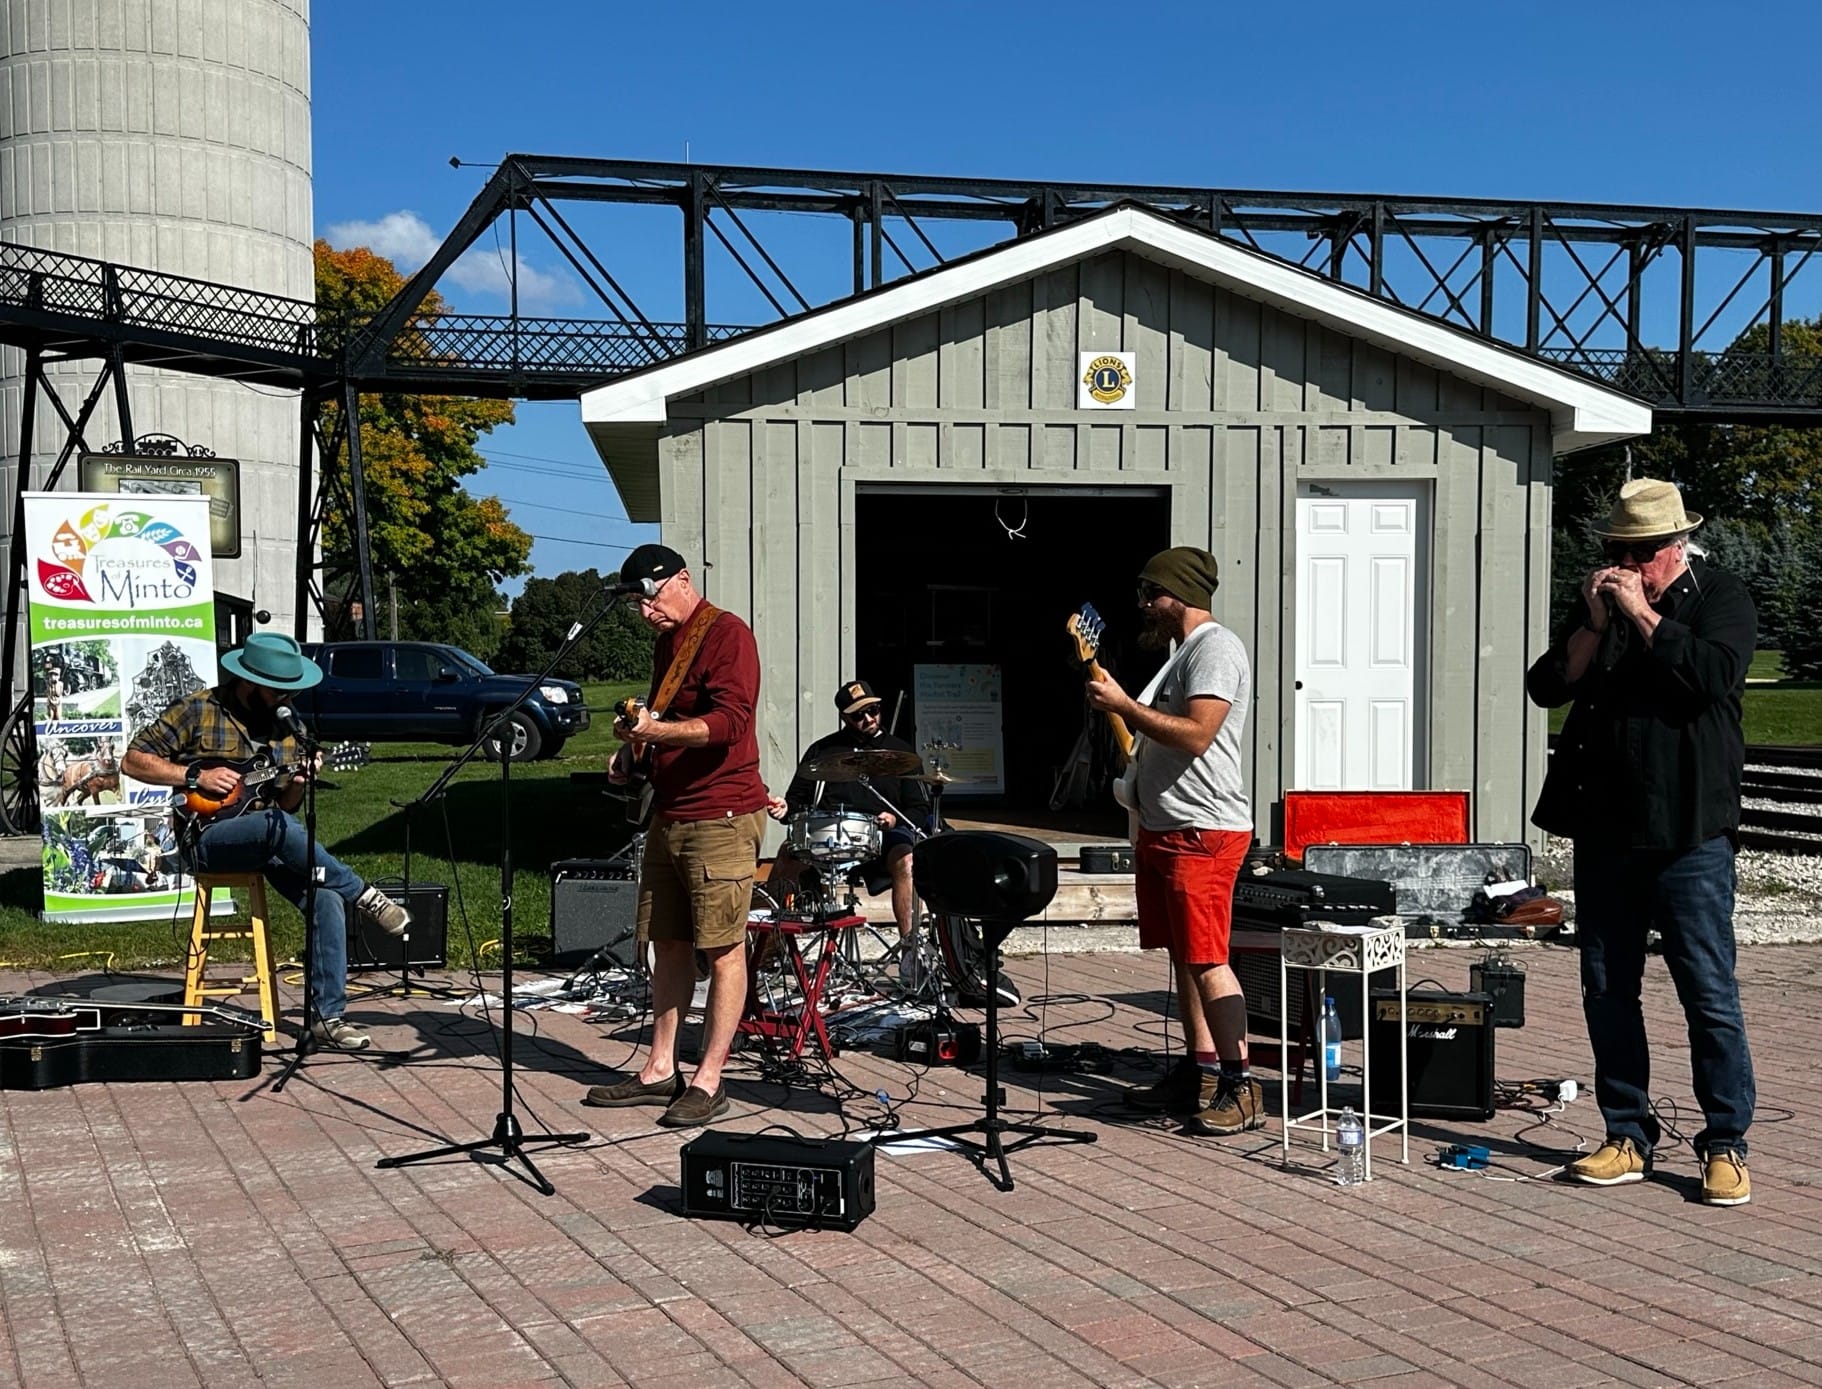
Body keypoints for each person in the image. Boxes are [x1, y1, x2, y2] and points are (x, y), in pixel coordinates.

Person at [1526, 478, 1757, 1206]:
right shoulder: (1602, 610)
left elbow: (1711, 677)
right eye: (1619, 550)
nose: (1629, 563)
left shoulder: (1720, 597)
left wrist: (1645, 613)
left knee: (1707, 990)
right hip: (1608, 833)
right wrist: (1595, 622)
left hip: (1689, 832)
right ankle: (1626, 1131)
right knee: (1606, 988)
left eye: (1644, 551)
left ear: (1677, 547)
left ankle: (1725, 1142)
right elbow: (1547, 686)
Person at [120, 631, 410, 1051]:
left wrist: (297, 782)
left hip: (268, 836)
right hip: (206, 839)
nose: (286, 697)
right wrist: (194, 776)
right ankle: (365, 895)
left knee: (324, 895)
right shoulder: (198, 709)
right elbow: (133, 760)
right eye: (278, 689)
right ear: (249, 682)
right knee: (275, 826)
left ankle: (327, 1018)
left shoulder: (288, 726)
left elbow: (286, 808)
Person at [586, 543, 768, 1128]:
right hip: (671, 812)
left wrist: (657, 730)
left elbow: (727, 723)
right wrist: (633, 746)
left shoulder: (728, 635)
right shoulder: (670, 641)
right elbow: (663, 717)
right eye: (638, 604)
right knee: (666, 940)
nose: (645, 612)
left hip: (721, 816)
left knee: (721, 948)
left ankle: (710, 1080)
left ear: (682, 580)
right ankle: (659, 1068)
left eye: (652, 598)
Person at [1086, 546, 1260, 1136]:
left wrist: (1126, 705)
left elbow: (1197, 735)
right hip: (1165, 828)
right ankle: (1200, 1071)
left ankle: (1242, 1086)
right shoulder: (1180, 654)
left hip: (1202, 832)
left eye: (1151, 594)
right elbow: (1152, 741)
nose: (1144, 606)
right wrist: (1122, 709)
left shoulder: (1214, 649)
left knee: (1210, 961)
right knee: (1186, 960)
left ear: (1178, 595)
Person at [766, 680, 930, 976]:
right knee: (786, 856)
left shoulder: (900, 752)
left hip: (882, 837)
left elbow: (919, 808)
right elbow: (797, 800)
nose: (868, 719)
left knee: (907, 859)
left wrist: (894, 820)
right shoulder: (823, 750)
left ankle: (910, 950)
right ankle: (775, 947)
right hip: (831, 837)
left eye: (873, 711)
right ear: (844, 717)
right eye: (858, 715)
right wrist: (785, 809)